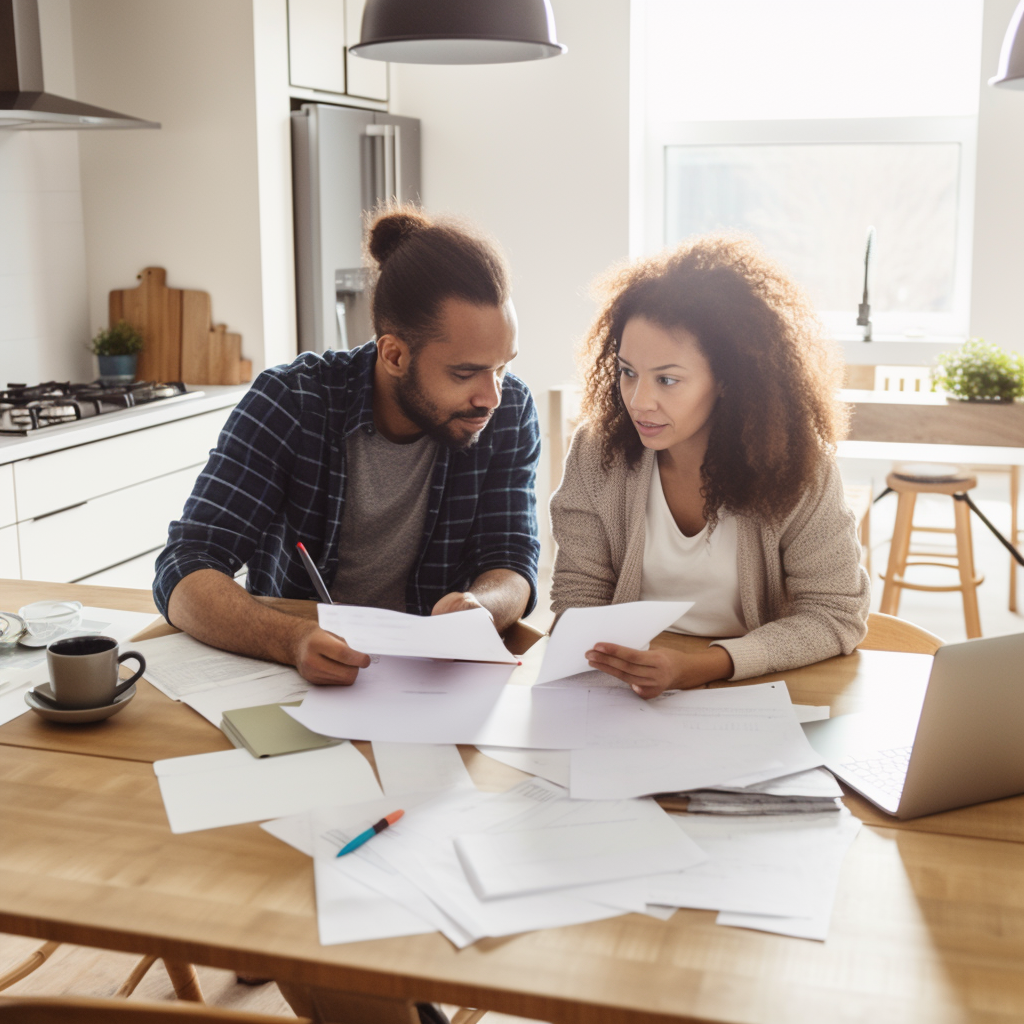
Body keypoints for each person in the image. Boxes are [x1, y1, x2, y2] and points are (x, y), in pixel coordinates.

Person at [154, 207, 540, 685]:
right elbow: (186, 564)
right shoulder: (292, 401)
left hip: (434, 679)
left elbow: (512, 557)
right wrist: (289, 640)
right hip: (297, 672)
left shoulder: (510, 410)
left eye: (502, 366)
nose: (491, 396)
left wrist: (482, 607)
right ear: (395, 354)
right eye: (465, 373)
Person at [550, 234, 869, 697]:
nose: (639, 401)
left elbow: (834, 614)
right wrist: (614, 663)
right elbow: (577, 599)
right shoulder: (596, 452)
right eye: (627, 372)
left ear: (727, 379)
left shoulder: (800, 468)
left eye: (668, 379)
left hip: (758, 687)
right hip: (627, 691)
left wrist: (703, 667)